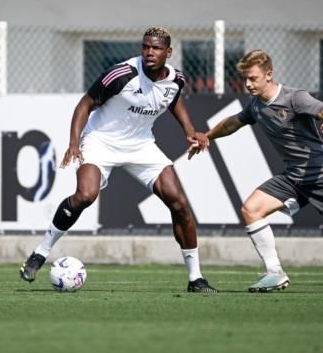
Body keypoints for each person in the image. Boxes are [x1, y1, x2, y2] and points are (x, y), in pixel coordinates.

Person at [20, 26, 217, 293]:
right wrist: (74, 144)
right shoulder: (122, 74)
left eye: (156, 48)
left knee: (180, 204)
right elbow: (85, 103)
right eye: (146, 46)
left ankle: (196, 279)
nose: (149, 52)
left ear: (168, 52)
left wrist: (190, 131)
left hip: (141, 146)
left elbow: (173, 98)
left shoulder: (176, 79)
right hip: (100, 141)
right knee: (85, 196)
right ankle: (40, 253)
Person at [191, 49, 323, 292]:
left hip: (318, 174)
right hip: (293, 178)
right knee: (251, 209)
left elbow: (320, 110)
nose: (248, 84)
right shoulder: (256, 106)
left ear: (269, 74)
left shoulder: (295, 98)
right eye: (245, 79)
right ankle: (274, 273)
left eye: (253, 78)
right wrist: (206, 137)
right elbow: (232, 124)